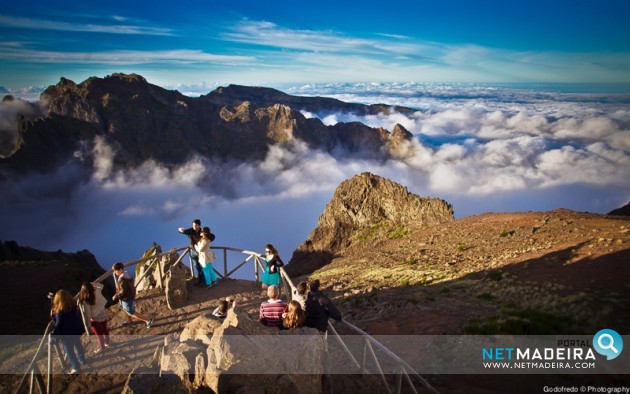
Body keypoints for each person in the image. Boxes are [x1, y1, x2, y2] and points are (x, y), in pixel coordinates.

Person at [51, 289, 85, 374]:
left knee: (69, 351)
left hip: (67, 335)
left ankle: (76, 367)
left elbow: (57, 324)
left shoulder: (60, 312)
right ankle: (82, 359)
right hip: (76, 330)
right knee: (78, 344)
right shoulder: (74, 306)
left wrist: (52, 316)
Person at [112, 262, 154, 329]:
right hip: (131, 294)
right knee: (126, 309)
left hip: (127, 297)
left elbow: (123, 290)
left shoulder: (122, 279)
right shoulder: (126, 273)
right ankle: (130, 321)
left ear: (120, 269)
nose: (115, 272)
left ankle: (148, 320)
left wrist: (116, 295)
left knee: (131, 312)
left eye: (115, 270)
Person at [78, 282, 110, 354]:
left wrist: (89, 324)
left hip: (95, 318)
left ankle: (102, 348)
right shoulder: (97, 292)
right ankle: (107, 343)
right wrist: (92, 283)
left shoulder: (86, 301)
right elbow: (101, 285)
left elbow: (88, 314)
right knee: (105, 329)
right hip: (103, 313)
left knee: (99, 334)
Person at [179, 219, 212, 286]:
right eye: (193, 225)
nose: (194, 226)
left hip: (201, 252)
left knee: (203, 266)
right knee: (197, 266)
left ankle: (205, 280)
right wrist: (181, 230)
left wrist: (206, 240)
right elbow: (183, 231)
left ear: (199, 225)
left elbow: (212, 236)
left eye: (196, 225)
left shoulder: (202, 231)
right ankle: (200, 280)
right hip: (193, 251)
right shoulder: (191, 230)